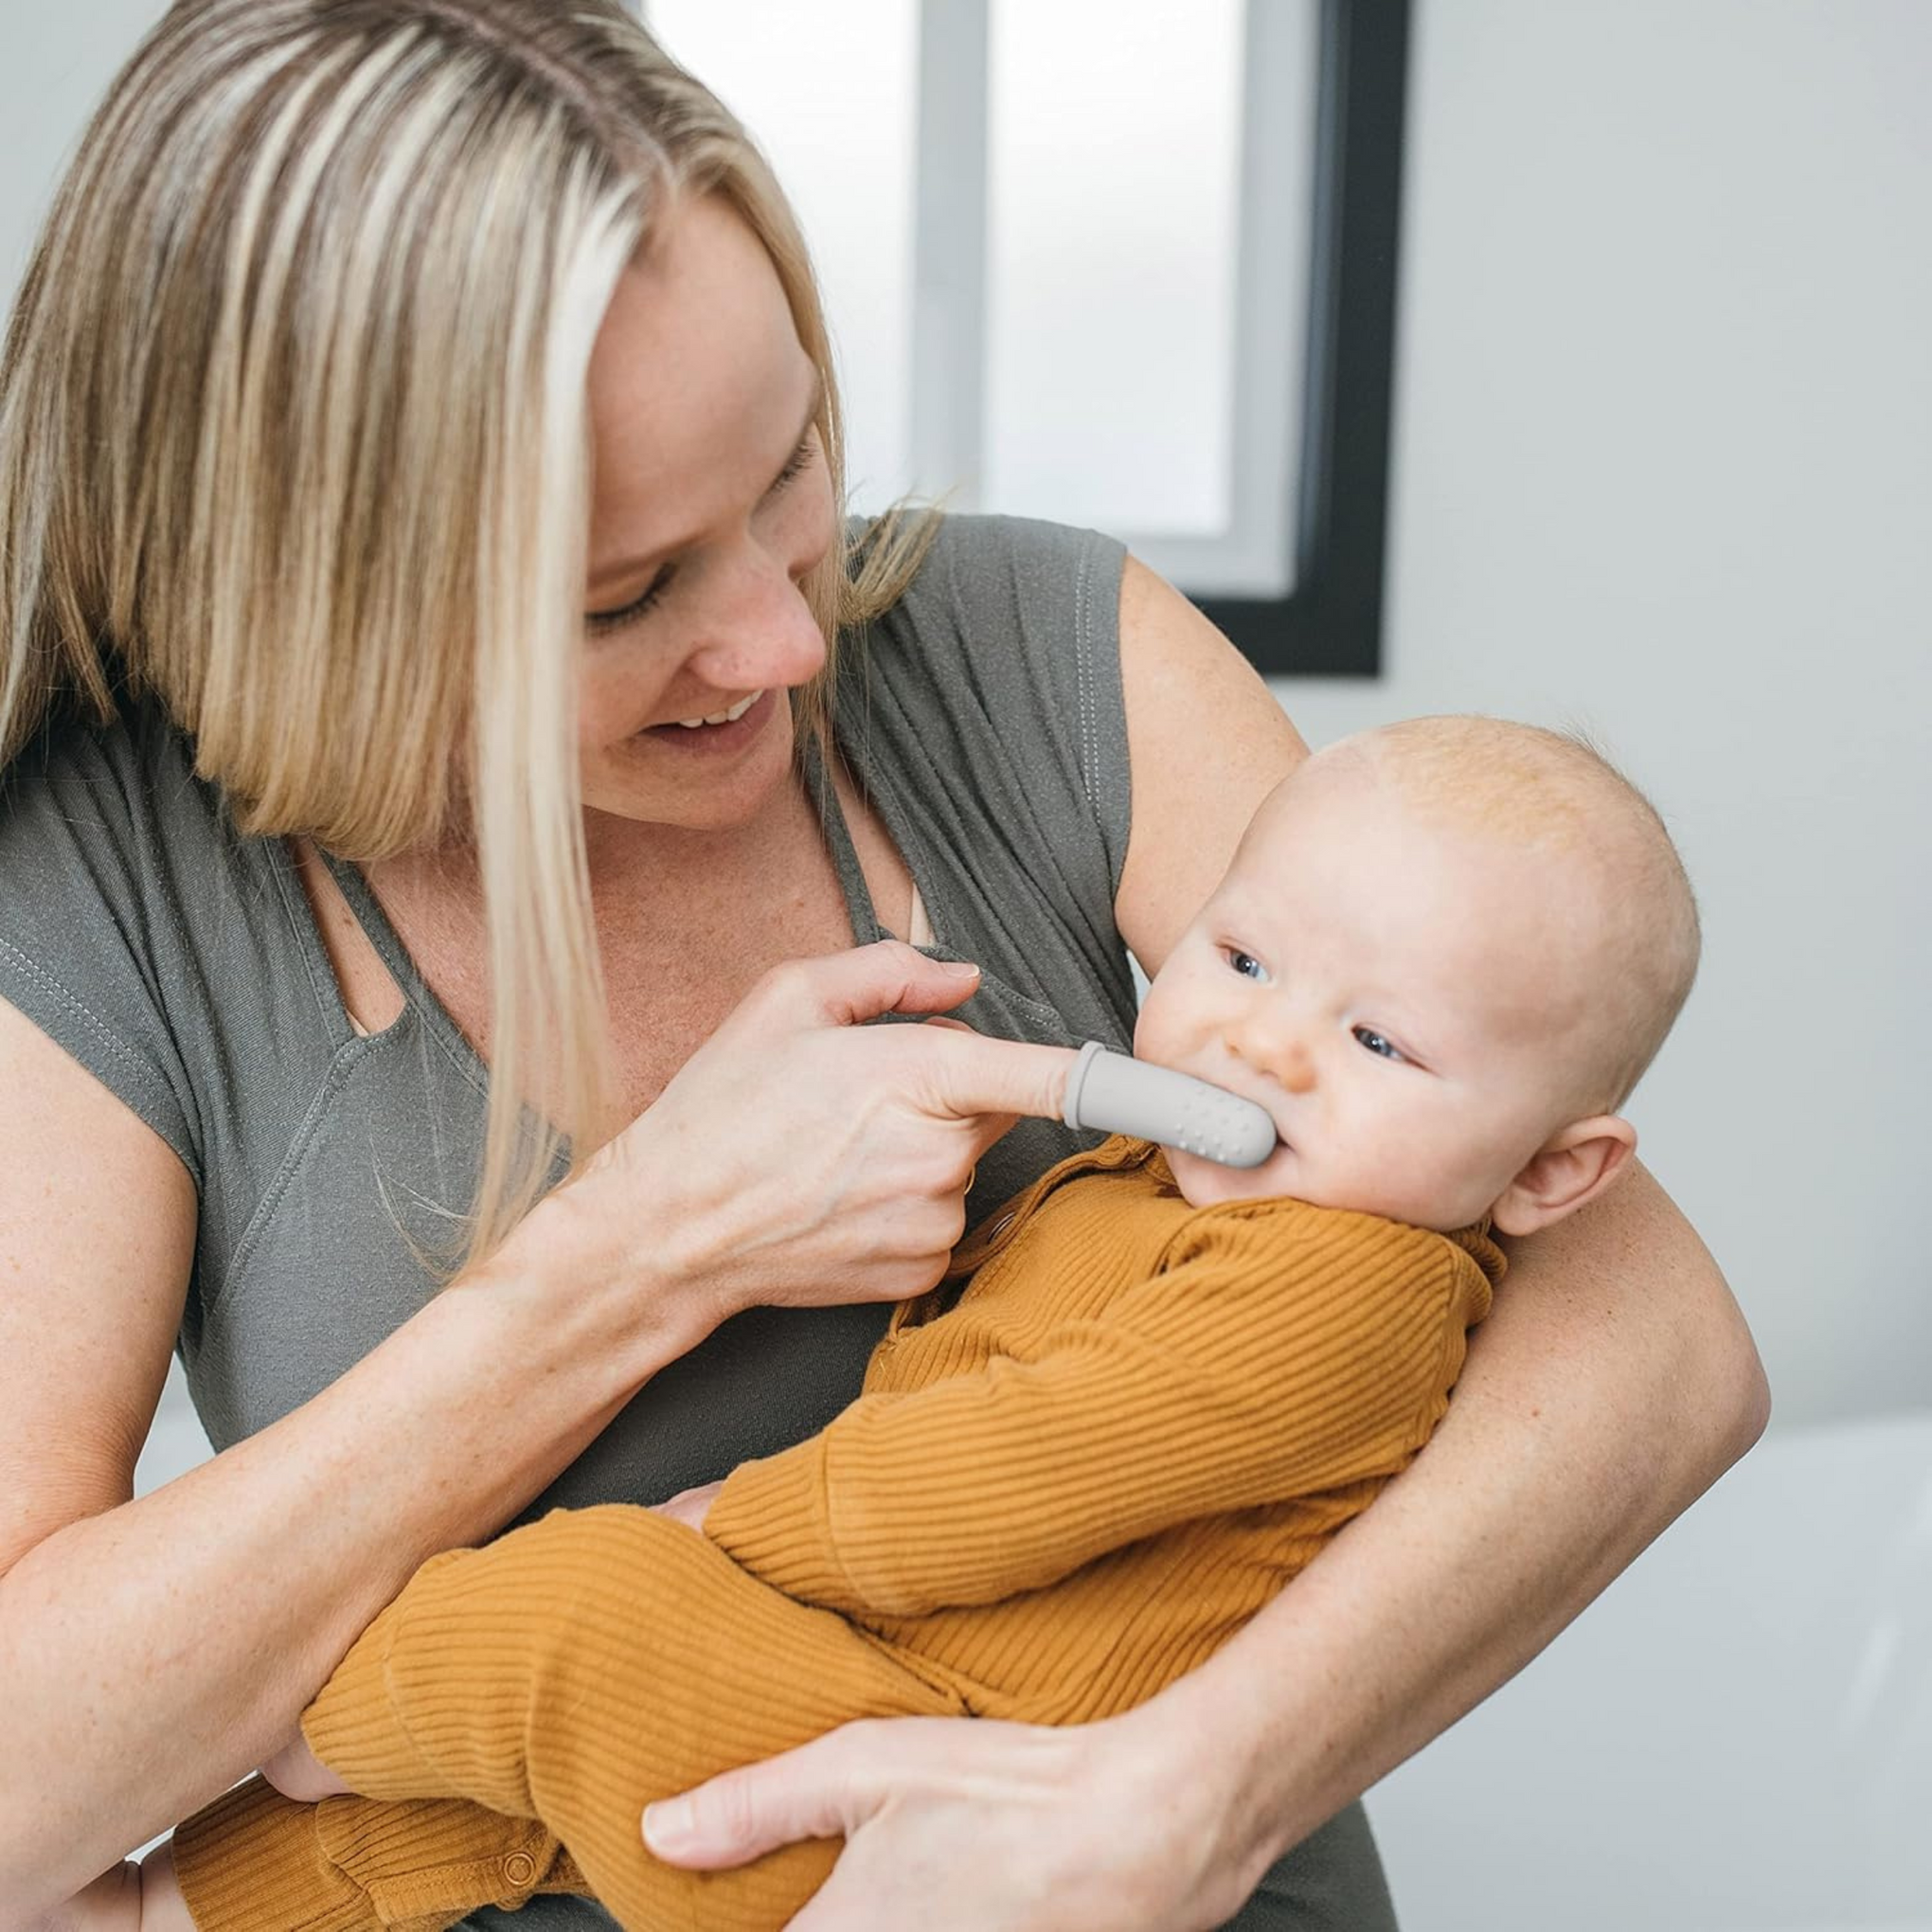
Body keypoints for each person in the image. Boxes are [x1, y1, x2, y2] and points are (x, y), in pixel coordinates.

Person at [0, 8, 1765, 1932]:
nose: (783, 635)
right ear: (300, 592)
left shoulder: (1037, 645)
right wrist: (646, 1249)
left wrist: (1179, 1803)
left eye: (792, 470)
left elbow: (1652, 1342)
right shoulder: (107, 886)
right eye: (624, 594)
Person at [81, 714, 1701, 1932]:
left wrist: (732, 1528)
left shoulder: (1354, 1293)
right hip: (845, 1704)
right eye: (1246, 955)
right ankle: (202, 1901)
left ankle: (316, 1731)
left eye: (1378, 1042)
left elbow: (1021, 1470)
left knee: (588, 1611)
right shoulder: (1136, 1182)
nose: (1263, 1049)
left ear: (1557, 1173)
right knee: (528, 1811)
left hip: (943, 1789)